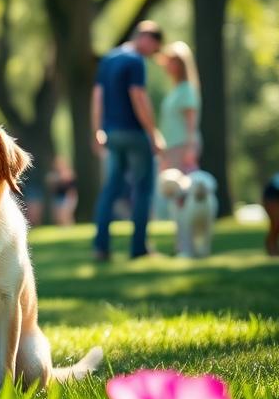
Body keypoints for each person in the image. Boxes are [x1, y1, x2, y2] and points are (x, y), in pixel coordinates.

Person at [91, 21, 165, 261]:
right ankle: (139, 248)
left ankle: (101, 247)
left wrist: (97, 130)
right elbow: (139, 97)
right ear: (148, 39)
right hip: (134, 133)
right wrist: (153, 133)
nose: (151, 54)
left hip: (112, 134)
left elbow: (97, 97)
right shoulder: (135, 61)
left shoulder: (109, 59)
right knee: (143, 189)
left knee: (111, 189)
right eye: (154, 49)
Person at [158, 41, 201, 173]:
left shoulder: (187, 90)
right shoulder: (175, 90)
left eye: (172, 61)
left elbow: (191, 123)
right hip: (171, 146)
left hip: (182, 146)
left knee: (178, 188)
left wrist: (190, 149)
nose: (167, 65)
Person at [45, 155, 78, 226]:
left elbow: (71, 187)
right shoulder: (53, 174)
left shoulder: (68, 173)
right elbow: (51, 185)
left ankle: (69, 228)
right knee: (58, 216)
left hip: (67, 197)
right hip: (58, 197)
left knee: (66, 215)